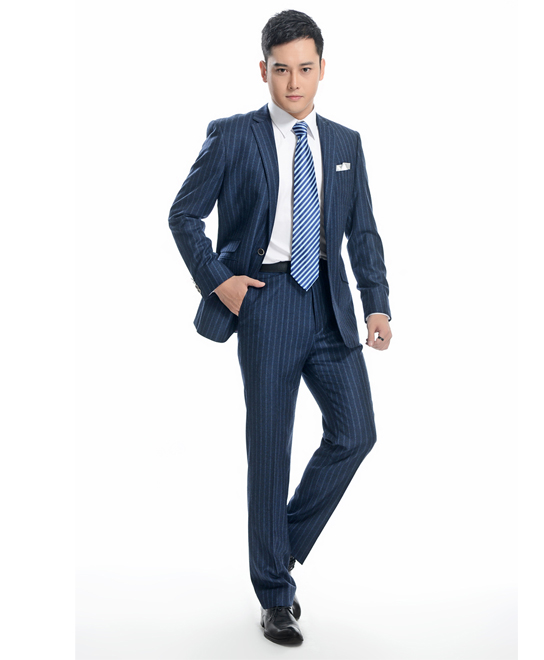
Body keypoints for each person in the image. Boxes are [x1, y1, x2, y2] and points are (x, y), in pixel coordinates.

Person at [168, 9, 392, 646]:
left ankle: (276, 546)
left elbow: (363, 231)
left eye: (305, 69)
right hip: (265, 302)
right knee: (270, 447)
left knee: (356, 433)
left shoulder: (345, 143)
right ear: (262, 70)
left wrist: (376, 304)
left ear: (323, 70)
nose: (294, 83)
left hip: (329, 304)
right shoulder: (232, 136)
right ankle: (275, 595)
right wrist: (219, 280)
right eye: (281, 70)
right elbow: (183, 216)